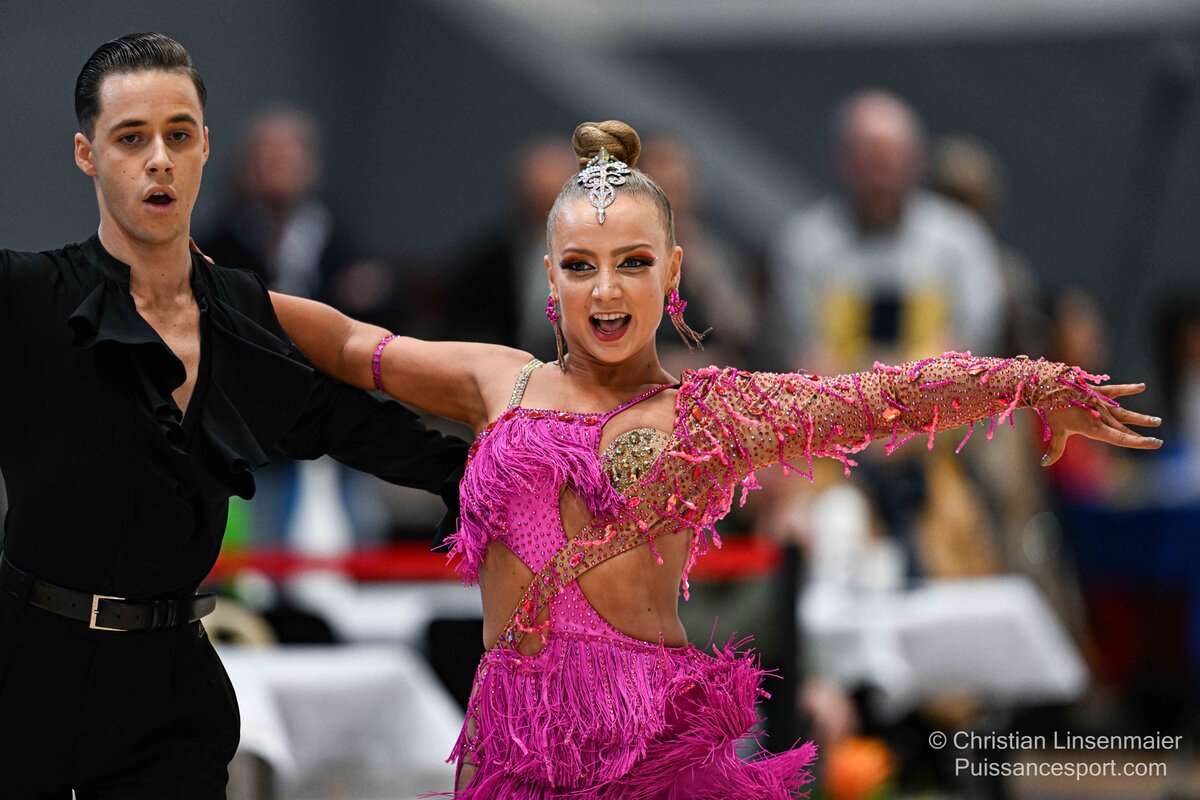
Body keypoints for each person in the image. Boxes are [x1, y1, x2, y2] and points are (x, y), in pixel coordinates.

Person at [273, 120, 1162, 798]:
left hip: (648, 742)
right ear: (550, 277)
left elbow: (883, 395)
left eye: (633, 263)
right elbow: (351, 345)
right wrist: (208, 286)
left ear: (672, 271)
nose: (607, 289)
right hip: (510, 737)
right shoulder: (495, 380)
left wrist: (1034, 380)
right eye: (581, 266)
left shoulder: (714, 413)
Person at [0, 33, 466, 798]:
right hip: (25, 675)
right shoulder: (27, 298)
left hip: (171, 693)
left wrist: (490, 476)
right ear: (87, 154)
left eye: (178, 135)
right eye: (131, 138)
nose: (159, 159)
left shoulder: (241, 313)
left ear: (206, 148)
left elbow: (349, 423)